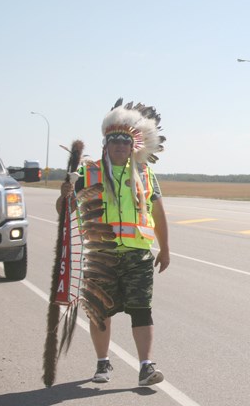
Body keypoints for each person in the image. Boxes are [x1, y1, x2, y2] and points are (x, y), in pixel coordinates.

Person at [57, 99, 170, 387]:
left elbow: (157, 211)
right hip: (100, 255)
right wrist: (66, 191)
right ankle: (102, 363)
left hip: (138, 255)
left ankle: (146, 366)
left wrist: (165, 249)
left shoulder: (145, 173)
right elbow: (63, 210)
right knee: (100, 312)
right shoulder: (88, 172)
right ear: (105, 144)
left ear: (133, 145)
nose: (119, 145)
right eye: (113, 140)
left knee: (142, 309)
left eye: (125, 141)